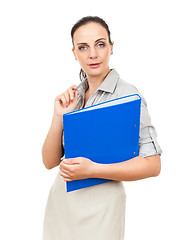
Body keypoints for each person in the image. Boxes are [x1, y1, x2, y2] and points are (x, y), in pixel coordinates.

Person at [42, 16, 162, 240]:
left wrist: (93, 170)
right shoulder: (73, 96)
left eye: (100, 44)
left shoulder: (127, 96)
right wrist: (58, 116)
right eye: (83, 47)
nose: (93, 54)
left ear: (111, 47)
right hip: (62, 203)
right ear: (74, 53)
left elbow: (153, 165)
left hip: (102, 207)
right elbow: (49, 162)